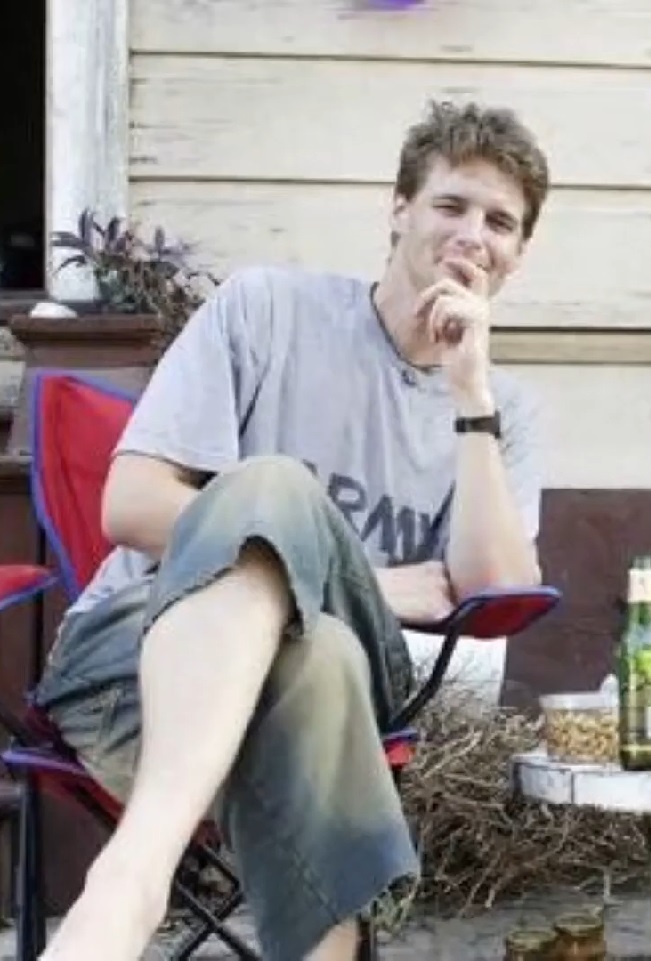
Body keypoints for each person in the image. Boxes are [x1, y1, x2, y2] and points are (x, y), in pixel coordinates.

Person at [33, 99, 550, 961]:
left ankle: (129, 880)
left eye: (500, 222)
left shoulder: (502, 412)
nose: (473, 234)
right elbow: (129, 503)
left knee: (325, 656)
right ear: (398, 209)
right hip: (128, 676)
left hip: (330, 697)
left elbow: (497, 595)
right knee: (280, 514)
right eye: (451, 204)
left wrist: (471, 394)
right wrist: (364, 580)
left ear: (518, 255)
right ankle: (146, 871)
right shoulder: (267, 311)